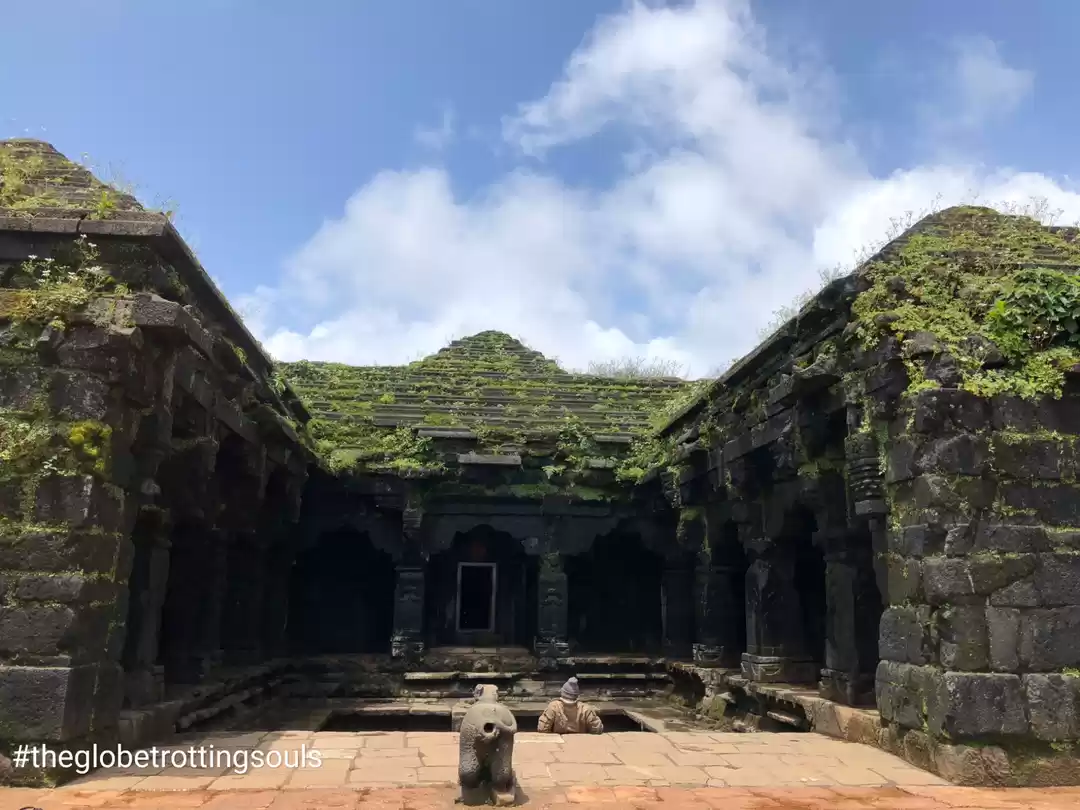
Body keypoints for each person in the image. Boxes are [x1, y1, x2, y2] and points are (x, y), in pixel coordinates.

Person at [536, 677, 603, 734]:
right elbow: (597, 729)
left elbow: (542, 728)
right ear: (577, 694)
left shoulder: (554, 707)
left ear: (562, 692)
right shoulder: (586, 709)